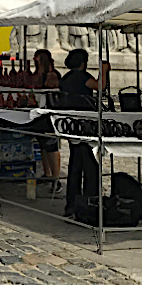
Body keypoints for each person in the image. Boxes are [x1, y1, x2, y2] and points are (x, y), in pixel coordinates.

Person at [60, 48, 110, 218]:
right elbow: (100, 86)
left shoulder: (65, 78)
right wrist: (103, 71)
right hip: (84, 124)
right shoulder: (82, 78)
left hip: (71, 124)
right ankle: (89, 201)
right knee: (89, 165)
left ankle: (72, 203)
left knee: (76, 165)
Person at [32, 49, 62, 190]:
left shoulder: (51, 75)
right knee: (43, 143)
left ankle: (56, 178)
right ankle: (48, 173)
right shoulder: (40, 74)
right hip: (41, 113)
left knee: (51, 145)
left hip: (50, 113)